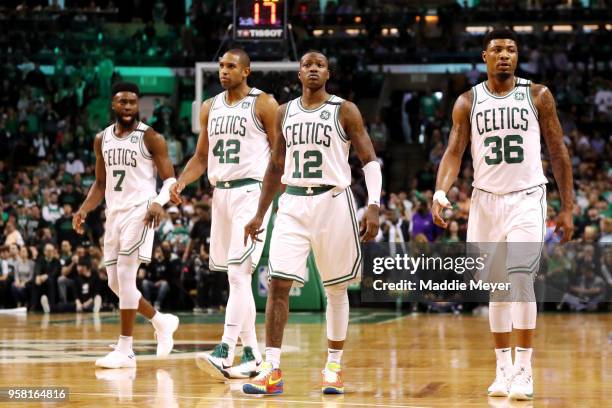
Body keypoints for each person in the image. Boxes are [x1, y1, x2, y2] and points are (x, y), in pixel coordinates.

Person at [431, 28, 574, 401]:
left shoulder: (537, 95)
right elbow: (453, 152)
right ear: (485, 56)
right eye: (497, 49)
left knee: (520, 280)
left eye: (511, 49)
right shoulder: (467, 101)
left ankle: (525, 369)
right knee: (497, 291)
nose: (505, 55)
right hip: (484, 201)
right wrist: (440, 192)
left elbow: (558, 152)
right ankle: (503, 368)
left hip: (527, 197)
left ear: (518, 55)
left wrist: (568, 207)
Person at [243, 50, 381, 395]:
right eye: (308, 65)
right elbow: (275, 165)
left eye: (320, 64)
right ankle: (271, 369)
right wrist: (260, 212)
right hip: (292, 202)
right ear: (300, 74)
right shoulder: (285, 112)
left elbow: (369, 159)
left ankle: (333, 366)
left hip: (333, 200)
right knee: (277, 283)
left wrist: (374, 205)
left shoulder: (344, 110)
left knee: (335, 288)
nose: (314, 69)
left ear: (328, 73)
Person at [170, 49, 278, 380]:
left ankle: (224, 350)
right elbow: (201, 156)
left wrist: (272, 200)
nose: (223, 71)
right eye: (220, 65)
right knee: (238, 277)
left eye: (231, 66)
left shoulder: (264, 103)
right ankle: (253, 356)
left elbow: (279, 154)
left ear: (246, 71)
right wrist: (182, 181)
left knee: (237, 272)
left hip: (251, 190)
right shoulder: (209, 107)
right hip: (222, 194)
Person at [72, 82, 179, 369]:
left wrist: (159, 201)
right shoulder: (102, 139)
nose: (128, 107)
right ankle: (161, 322)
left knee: (126, 276)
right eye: (123, 102)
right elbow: (100, 183)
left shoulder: (151, 137)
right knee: (115, 283)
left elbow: (170, 180)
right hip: (114, 214)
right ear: (114, 105)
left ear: (138, 105)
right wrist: (83, 209)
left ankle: (125, 349)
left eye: (133, 102)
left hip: (141, 211)